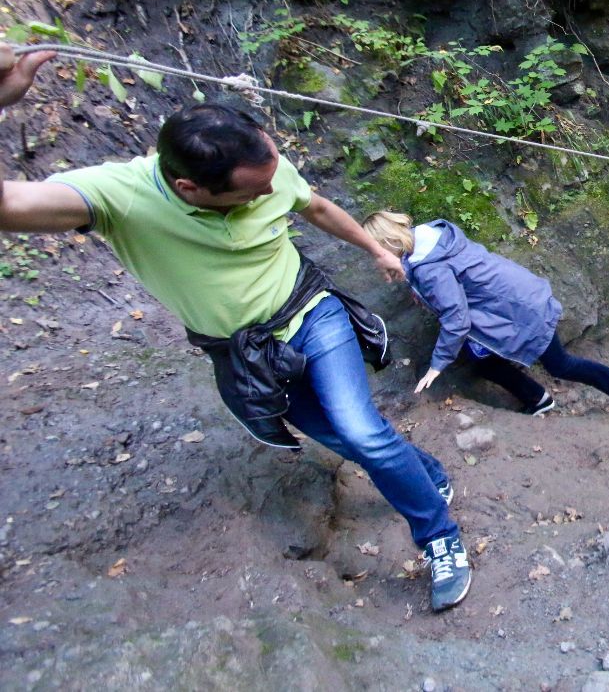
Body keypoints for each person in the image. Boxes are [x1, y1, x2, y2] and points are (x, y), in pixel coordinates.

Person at [0, 44, 470, 611]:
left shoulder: (264, 164)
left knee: (363, 430)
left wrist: (374, 247)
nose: (271, 192)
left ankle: (440, 538)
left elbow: (315, 206)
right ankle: (426, 471)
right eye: (253, 192)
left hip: (310, 310)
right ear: (190, 189)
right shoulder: (117, 197)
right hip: (246, 353)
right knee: (342, 437)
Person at [360, 211, 609, 422]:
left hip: (519, 311)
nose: (375, 258)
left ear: (386, 243)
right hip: (517, 297)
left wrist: (437, 365)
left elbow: (455, 317)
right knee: (483, 360)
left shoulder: (428, 269)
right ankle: (538, 399)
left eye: (375, 250)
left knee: (560, 365)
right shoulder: (431, 236)